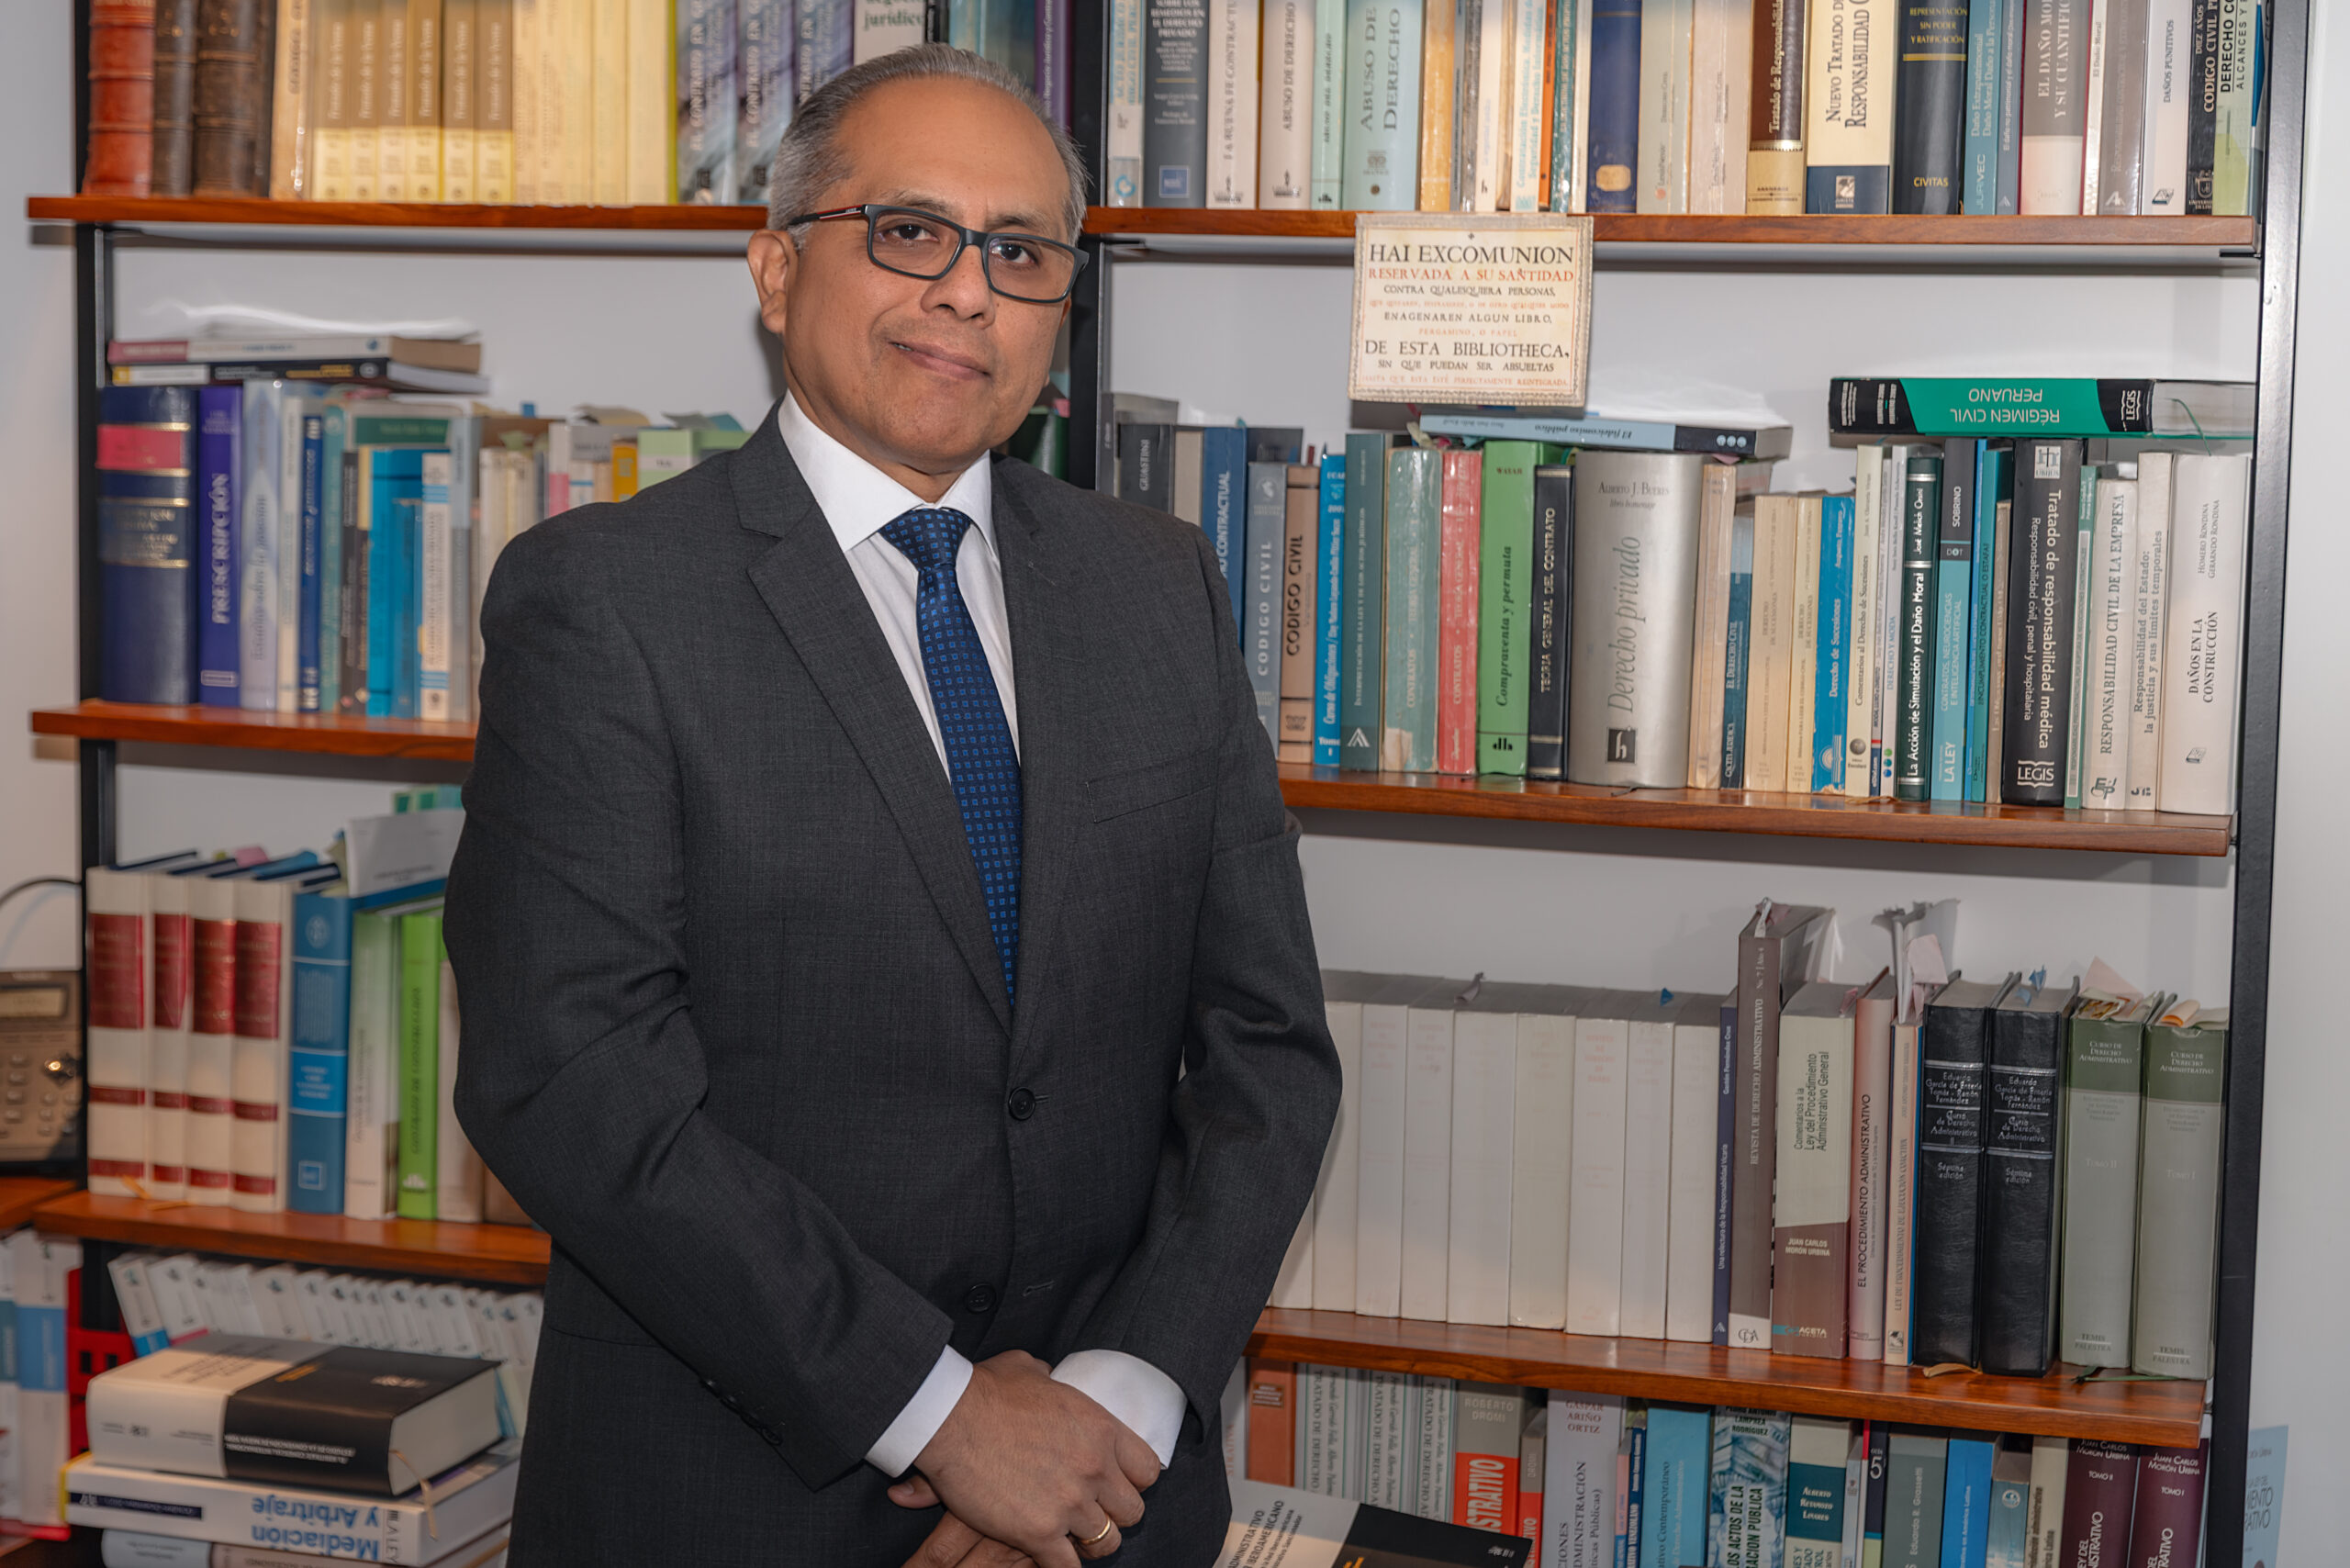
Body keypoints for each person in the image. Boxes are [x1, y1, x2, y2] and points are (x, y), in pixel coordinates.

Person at [443, 43, 1339, 1568]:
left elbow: (1269, 1050)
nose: (968, 292)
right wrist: (947, 1417)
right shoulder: (608, 602)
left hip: (1108, 1498)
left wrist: (1111, 1408)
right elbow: (570, 1082)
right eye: (910, 232)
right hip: (731, 1498)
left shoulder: (1160, 585)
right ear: (777, 268)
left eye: (1021, 253)